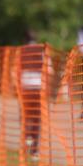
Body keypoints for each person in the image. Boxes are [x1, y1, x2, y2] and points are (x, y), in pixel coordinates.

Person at [19, 29, 51, 159]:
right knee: (37, 117)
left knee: (26, 115)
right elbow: (49, 69)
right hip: (38, 86)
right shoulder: (42, 51)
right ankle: (35, 149)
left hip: (25, 86)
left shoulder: (21, 51)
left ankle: (28, 139)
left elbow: (17, 69)